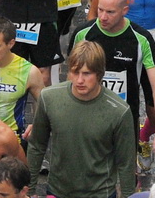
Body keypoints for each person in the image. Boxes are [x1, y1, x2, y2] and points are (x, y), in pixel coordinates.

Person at [72, 0, 155, 178]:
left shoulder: (141, 39)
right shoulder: (83, 34)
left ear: (125, 10)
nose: (103, 17)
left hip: (124, 120)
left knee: (125, 176)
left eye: (110, 12)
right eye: (99, 9)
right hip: (88, 116)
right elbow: (71, 78)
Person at [25, 40, 138, 198]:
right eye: (74, 72)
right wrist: (29, 191)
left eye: (86, 73)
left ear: (99, 73)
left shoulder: (119, 111)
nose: (79, 80)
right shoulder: (49, 98)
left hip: (100, 194)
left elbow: (126, 164)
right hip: (58, 191)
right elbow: (37, 146)